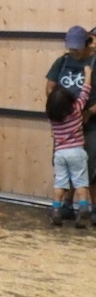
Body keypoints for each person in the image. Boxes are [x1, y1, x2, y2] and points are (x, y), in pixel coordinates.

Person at [46, 26, 96, 200]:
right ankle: (66, 206)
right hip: (67, 122)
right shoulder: (62, 61)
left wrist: (89, 112)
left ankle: (93, 208)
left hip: (90, 124)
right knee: (65, 165)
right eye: (71, 47)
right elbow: (50, 87)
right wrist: (61, 111)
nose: (73, 50)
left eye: (77, 47)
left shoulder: (94, 62)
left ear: (87, 44)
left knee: (90, 166)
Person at [45, 65, 93, 227]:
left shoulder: (53, 119)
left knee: (60, 183)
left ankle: (56, 209)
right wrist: (88, 74)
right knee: (80, 182)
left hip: (60, 153)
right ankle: (84, 207)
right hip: (77, 152)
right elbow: (85, 92)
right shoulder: (76, 110)